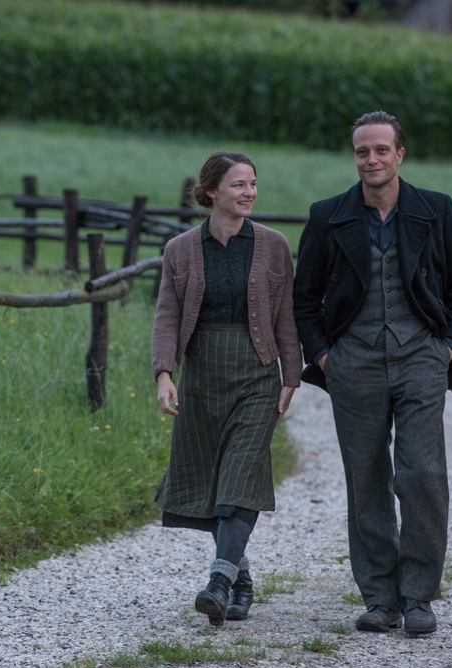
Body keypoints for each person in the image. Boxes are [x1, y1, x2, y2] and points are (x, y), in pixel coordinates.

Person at [292, 112, 452, 636]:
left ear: (400, 154)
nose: (370, 159)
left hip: (421, 357)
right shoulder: (329, 215)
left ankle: (418, 595)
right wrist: (326, 356)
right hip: (352, 364)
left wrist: (446, 349)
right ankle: (380, 598)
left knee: (422, 475)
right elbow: (304, 297)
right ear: (354, 156)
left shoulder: (435, 210)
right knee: (367, 479)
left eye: (380, 150)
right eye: (361, 152)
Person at [152, 151, 303, 627]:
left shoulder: (274, 245)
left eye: (254, 184)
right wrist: (163, 374)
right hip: (201, 377)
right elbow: (167, 315)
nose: (250, 193)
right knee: (207, 485)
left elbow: (285, 316)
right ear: (212, 191)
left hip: (257, 374)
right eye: (239, 185)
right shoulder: (179, 249)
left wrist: (291, 377)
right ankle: (242, 576)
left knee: (241, 478)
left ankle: (217, 581)